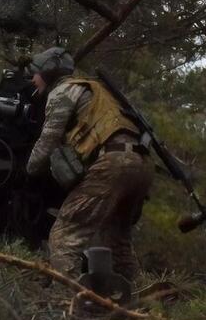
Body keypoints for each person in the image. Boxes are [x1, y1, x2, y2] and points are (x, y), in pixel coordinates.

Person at [25, 47, 153, 280]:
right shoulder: (98, 91)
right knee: (117, 240)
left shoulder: (63, 91)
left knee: (63, 235)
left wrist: (29, 170)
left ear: (48, 73)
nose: (32, 80)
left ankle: (72, 302)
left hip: (113, 163)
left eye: (34, 73)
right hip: (141, 163)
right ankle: (144, 301)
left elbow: (48, 141)